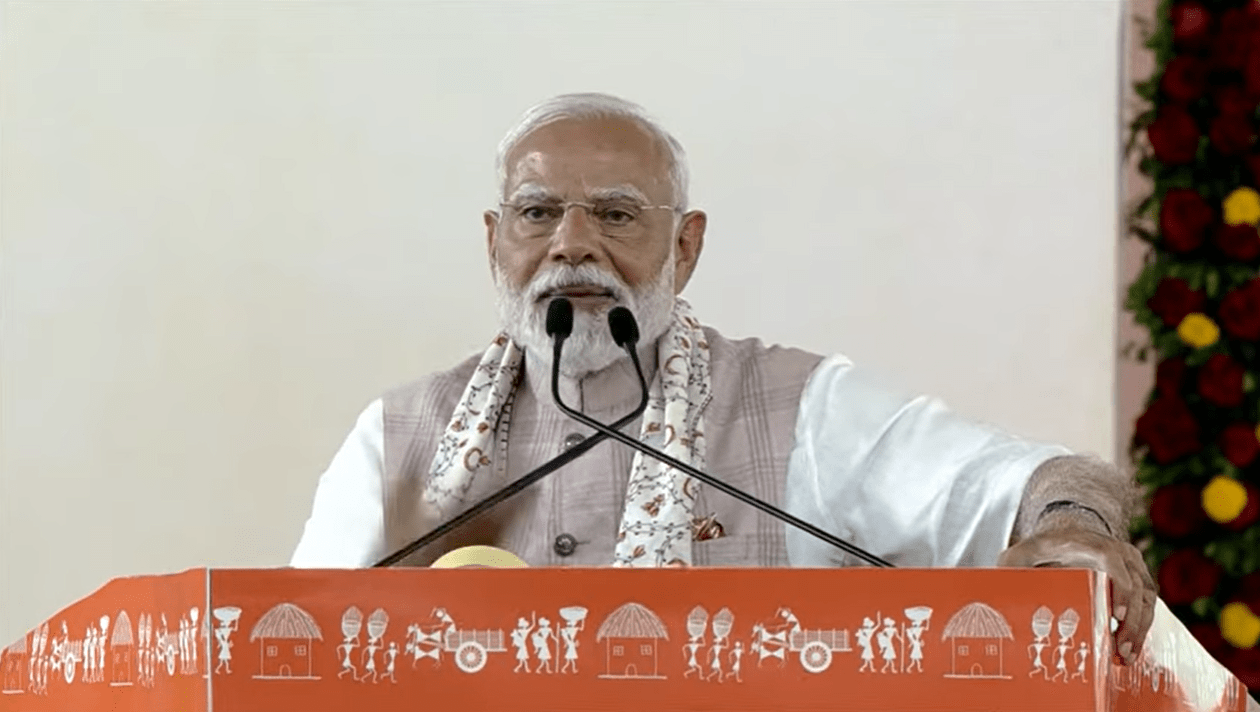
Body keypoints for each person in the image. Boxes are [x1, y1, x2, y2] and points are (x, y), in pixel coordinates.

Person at [290, 91, 1153, 664]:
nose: (571, 243)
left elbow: (1026, 482)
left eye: (616, 214)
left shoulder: (802, 411)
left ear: (686, 246)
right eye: (537, 212)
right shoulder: (398, 439)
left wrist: (1074, 527)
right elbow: (294, 648)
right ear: (494, 242)